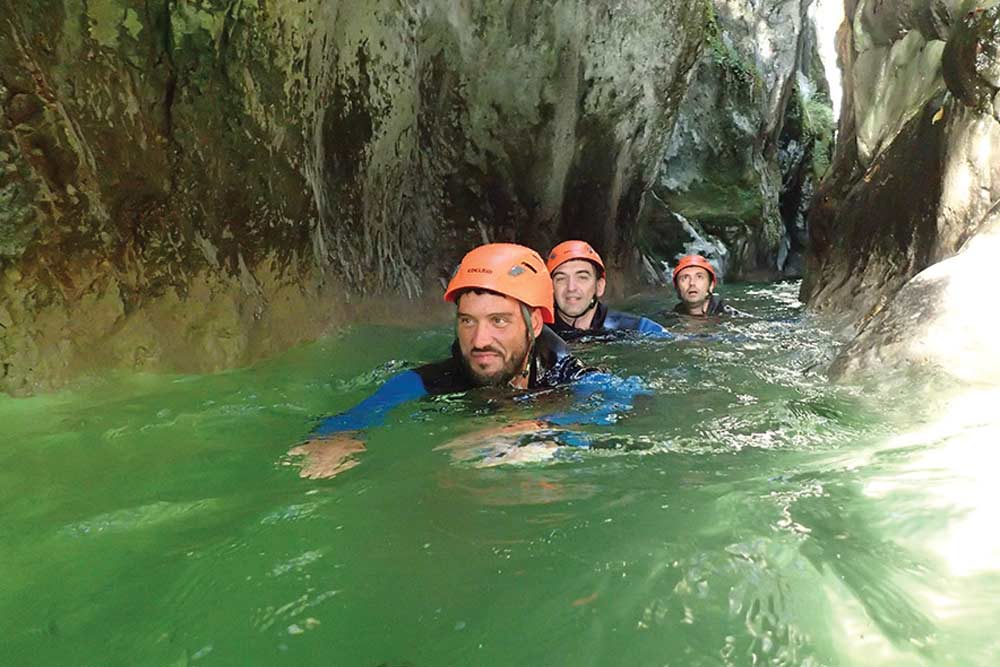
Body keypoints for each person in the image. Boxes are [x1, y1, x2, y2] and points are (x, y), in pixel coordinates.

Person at [289, 243, 642, 479]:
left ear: (534, 324)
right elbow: (372, 405)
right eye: (467, 320)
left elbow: (632, 404)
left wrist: (542, 429)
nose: (479, 340)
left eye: (499, 321)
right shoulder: (449, 374)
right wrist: (334, 435)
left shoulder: (564, 371)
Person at [545, 240, 670, 338]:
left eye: (582, 277)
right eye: (561, 279)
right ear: (550, 288)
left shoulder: (638, 329)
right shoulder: (536, 335)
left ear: (599, 287)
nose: (571, 287)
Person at [670, 254, 743, 317]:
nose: (692, 283)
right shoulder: (672, 316)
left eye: (699, 277)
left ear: (711, 286)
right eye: (685, 278)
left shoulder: (729, 315)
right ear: (677, 288)